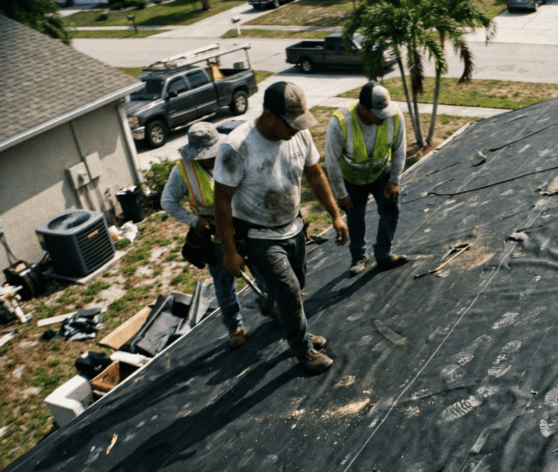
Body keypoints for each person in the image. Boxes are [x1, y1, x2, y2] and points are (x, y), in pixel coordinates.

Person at [213, 81, 348, 374]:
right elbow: (221, 203)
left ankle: (282, 313)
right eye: (290, 124)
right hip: (259, 234)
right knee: (289, 291)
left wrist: (335, 215)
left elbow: (314, 173)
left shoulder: (298, 135)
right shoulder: (237, 146)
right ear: (270, 116)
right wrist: (229, 252)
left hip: (294, 227)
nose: (296, 130)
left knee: (297, 285)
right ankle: (303, 350)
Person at [160, 122, 258, 349]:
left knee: (261, 267)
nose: (210, 159)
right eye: (205, 156)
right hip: (215, 237)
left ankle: (270, 303)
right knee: (224, 283)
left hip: (246, 227)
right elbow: (167, 201)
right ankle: (234, 326)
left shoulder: (234, 155)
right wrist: (194, 220)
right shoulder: (183, 170)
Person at [325, 81, 409, 277]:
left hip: (382, 171)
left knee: (391, 209)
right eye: (377, 115)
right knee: (355, 218)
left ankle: (384, 254)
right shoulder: (341, 121)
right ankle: (359, 257)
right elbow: (331, 162)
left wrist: (395, 179)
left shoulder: (394, 114)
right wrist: (341, 194)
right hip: (352, 177)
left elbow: (399, 148)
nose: (383, 119)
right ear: (363, 109)